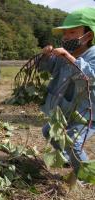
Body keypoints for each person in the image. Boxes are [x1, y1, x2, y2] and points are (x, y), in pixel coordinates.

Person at [39, 8, 95, 174]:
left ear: (88, 36)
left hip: (88, 113)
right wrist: (46, 56)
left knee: (73, 143)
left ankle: (86, 177)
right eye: (65, 33)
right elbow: (50, 69)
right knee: (49, 130)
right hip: (67, 109)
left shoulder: (92, 54)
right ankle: (67, 159)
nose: (66, 37)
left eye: (72, 32)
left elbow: (90, 78)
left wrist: (70, 58)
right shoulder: (65, 54)